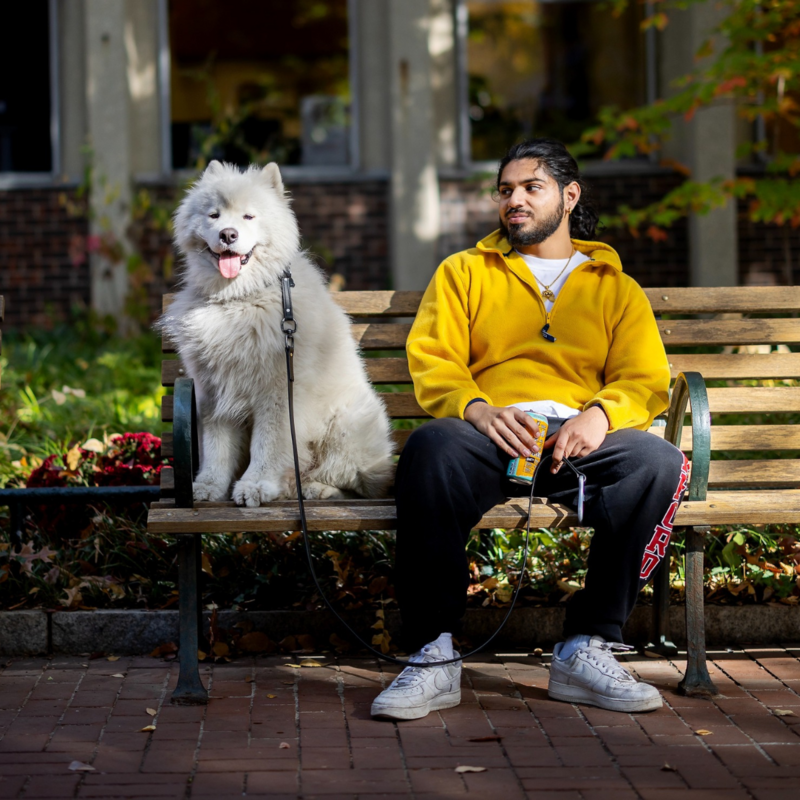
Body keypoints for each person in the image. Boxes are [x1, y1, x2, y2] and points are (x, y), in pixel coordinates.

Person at [370, 139, 689, 721]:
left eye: (529, 187)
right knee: (431, 447)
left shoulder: (613, 286)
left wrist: (600, 416)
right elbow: (434, 360)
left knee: (659, 462)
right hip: (492, 436)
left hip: (577, 444)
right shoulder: (464, 272)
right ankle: (433, 653)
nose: (513, 200)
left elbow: (643, 378)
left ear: (570, 196)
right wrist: (478, 409)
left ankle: (584, 647)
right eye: (505, 190)